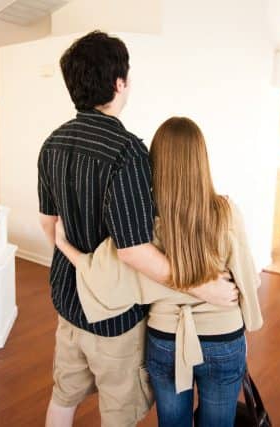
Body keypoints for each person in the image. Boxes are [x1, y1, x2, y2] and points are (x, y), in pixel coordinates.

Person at [37, 31, 238, 427]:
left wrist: (75, 260)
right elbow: (132, 251)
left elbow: (50, 223)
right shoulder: (127, 152)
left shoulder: (52, 143)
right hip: (113, 318)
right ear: (119, 83)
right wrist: (203, 287)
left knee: (62, 398)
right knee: (120, 414)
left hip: (67, 303)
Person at [53, 116, 264, 427]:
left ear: (155, 163)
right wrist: (242, 315)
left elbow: (99, 272)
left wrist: (63, 244)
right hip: (223, 338)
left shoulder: (143, 223)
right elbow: (248, 279)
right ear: (201, 160)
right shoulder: (226, 211)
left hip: (165, 340)